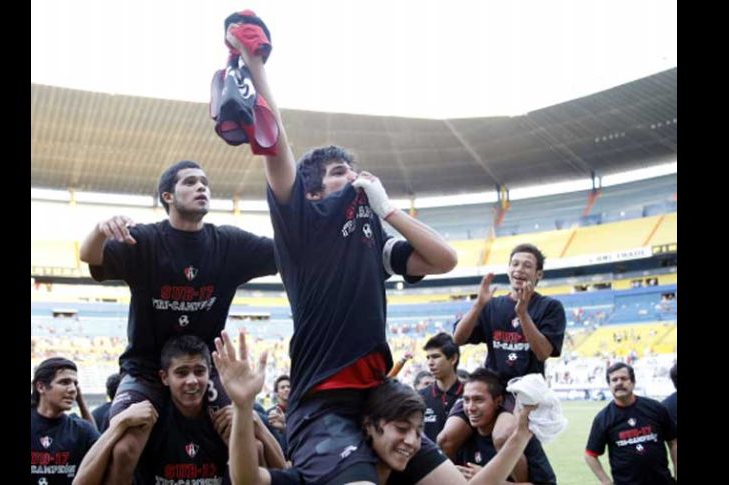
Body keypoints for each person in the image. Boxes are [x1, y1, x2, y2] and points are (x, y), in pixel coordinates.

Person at [228, 23, 460, 484]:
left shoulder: (374, 234)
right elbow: (276, 146)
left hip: (379, 397)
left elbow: (445, 259)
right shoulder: (302, 227)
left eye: (354, 170)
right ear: (313, 193)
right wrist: (253, 64)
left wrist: (389, 209)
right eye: (338, 173)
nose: (352, 177)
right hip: (322, 403)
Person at [79, 159, 277, 483]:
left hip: (204, 370)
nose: (202, 187)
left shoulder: (229, 243)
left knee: (249, 446)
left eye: (205, 182)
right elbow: (90, 256)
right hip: (144, 368)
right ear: (167, 196)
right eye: (190, 182)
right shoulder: (145, 240)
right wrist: (101, 230)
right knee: (125, 449)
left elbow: (284, 253)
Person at [213, 330, 541, 485]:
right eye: (401, 429)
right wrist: (243, 408)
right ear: (369, 426)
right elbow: (247, 479)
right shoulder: (326, 473)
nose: (412, 441)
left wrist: (521, 436)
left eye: (416, 431)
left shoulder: (413, 471)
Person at [73, 335, 285, 485]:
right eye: (182, 373)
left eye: (199, 371)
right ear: (165, 378)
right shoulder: (149, 419)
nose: (192, 381)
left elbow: (282, 473)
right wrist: (118, 426)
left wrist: (256, 423)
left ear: (209, 373)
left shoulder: (227, 415)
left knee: (255, 447)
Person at [440, 243, 566, 467]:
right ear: (508, 269)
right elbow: (458, 338)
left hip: (522, 390)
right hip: (488, 386)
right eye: (515, 263)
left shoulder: (550, 307)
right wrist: (479, 305)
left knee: (502, 437)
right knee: (445, 439)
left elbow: (543, 352)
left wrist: (522, 314)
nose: (519, 269)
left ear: (538, 274)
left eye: (527, 265)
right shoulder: (492, 305)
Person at [456, 368, 556, 484]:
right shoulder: (462, 437)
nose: (470, 408)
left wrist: (487, 479)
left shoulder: (520, 436)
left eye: (478, 400)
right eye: (466, 400)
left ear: (498, 401)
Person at [584, 362, 677, 485]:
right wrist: (606, 482)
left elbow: (673, 442)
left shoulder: (655, 408)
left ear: (633, 382)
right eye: (614, 380)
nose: (619, 383)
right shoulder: (603, 418)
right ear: (609, 385)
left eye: (624, 378)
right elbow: (590, 455)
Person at [31, 357, 100, 484]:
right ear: (41, 387)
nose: (73, 389)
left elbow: (99, 450)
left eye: (75, 384)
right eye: (64, 382)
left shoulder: (81, 430)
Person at [418, 333, 464, 442]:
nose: (430, 363)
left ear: (453, 358)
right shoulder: (419, 397)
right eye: (428, 357)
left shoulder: (470, 395)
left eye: (435, 357)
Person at [266, 374, 291, 456]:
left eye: (288, 386)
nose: (286, 389)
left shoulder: (299, 412)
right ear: (276, 393)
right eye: (282, 387)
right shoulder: (269, 414)